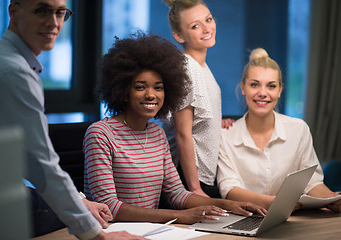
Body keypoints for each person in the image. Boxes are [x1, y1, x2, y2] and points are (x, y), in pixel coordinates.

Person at [0, 0, 146, 239]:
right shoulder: (12, 71)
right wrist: (98, 236)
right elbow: (40, 163)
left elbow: (25, 160)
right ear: (14, 11)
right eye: (41, 11)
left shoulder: (2, 58)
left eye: (60, 13)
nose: (54, 22)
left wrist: (81, 202)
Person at [83, 32, 267, 224]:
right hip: (112, 233)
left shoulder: (156, 133)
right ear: (123, 91)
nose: (151, 95)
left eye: (158, 87)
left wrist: (228, 205)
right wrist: (179, 216)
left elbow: (176, 193)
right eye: (140, 87)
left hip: (150, 232)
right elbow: (108, 206)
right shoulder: (100, 134)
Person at [217, 48, 341, 213]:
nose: (263, 93)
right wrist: (273, 203)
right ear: (243, 88)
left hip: (292, 219)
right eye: (254, 85)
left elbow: (311, 182)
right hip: (245, 218)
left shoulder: (299, 129)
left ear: (280, 90)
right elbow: (229, 189)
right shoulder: (226, 135)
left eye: (271, 86)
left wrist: (332, 199)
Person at [161, 0, 234, 198]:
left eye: (208, 19)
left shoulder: (200, 66)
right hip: (188, 177)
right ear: (178, 35)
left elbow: (195, 121)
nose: (206, 28)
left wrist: (214, 124)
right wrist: (194, 189)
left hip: (199, 174)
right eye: (195, 26)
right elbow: (182, 133)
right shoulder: (187, 68)